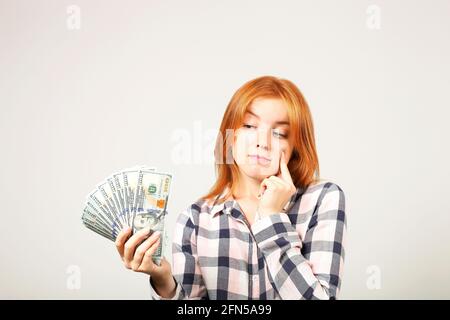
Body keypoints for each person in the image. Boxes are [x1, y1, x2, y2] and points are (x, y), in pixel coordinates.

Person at [115, 75, 347, 300]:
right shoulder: (195, 220)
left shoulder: (322, 199)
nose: (262, 142)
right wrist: (163, 280)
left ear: (295, 146)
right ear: (230, 136)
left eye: (279, 133)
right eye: (248, 125)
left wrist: (270, 218)